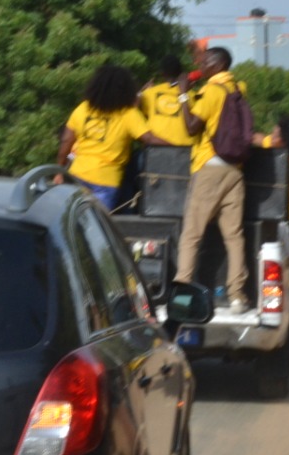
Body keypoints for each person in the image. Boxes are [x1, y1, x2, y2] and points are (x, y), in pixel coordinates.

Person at [171, 47, 251, 313]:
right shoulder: (237, 89)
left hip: (210, 166)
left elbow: (192, 126)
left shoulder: (213, 91)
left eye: (204, 63)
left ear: (217, 65)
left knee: (192, 233)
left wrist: (183, 93)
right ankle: (237, 296)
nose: (201, 66)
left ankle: (182, 291)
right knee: (234, 236)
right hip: (235, 170)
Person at [55, 65, 172, 211]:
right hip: (106, 181)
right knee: (96, 228)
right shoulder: (128, 114)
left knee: (71, 224)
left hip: (77, 176)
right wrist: (180, 149)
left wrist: (59, 171)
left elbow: (66, 142)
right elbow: (149, 139)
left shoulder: (83, 108)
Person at [139, 55, 196, 147]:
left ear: (162, 73)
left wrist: (143, 92)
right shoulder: (190, 94)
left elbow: (140, 115)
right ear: (180, 73)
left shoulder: (149, 93)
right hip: (185, 148)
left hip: (156, 146)